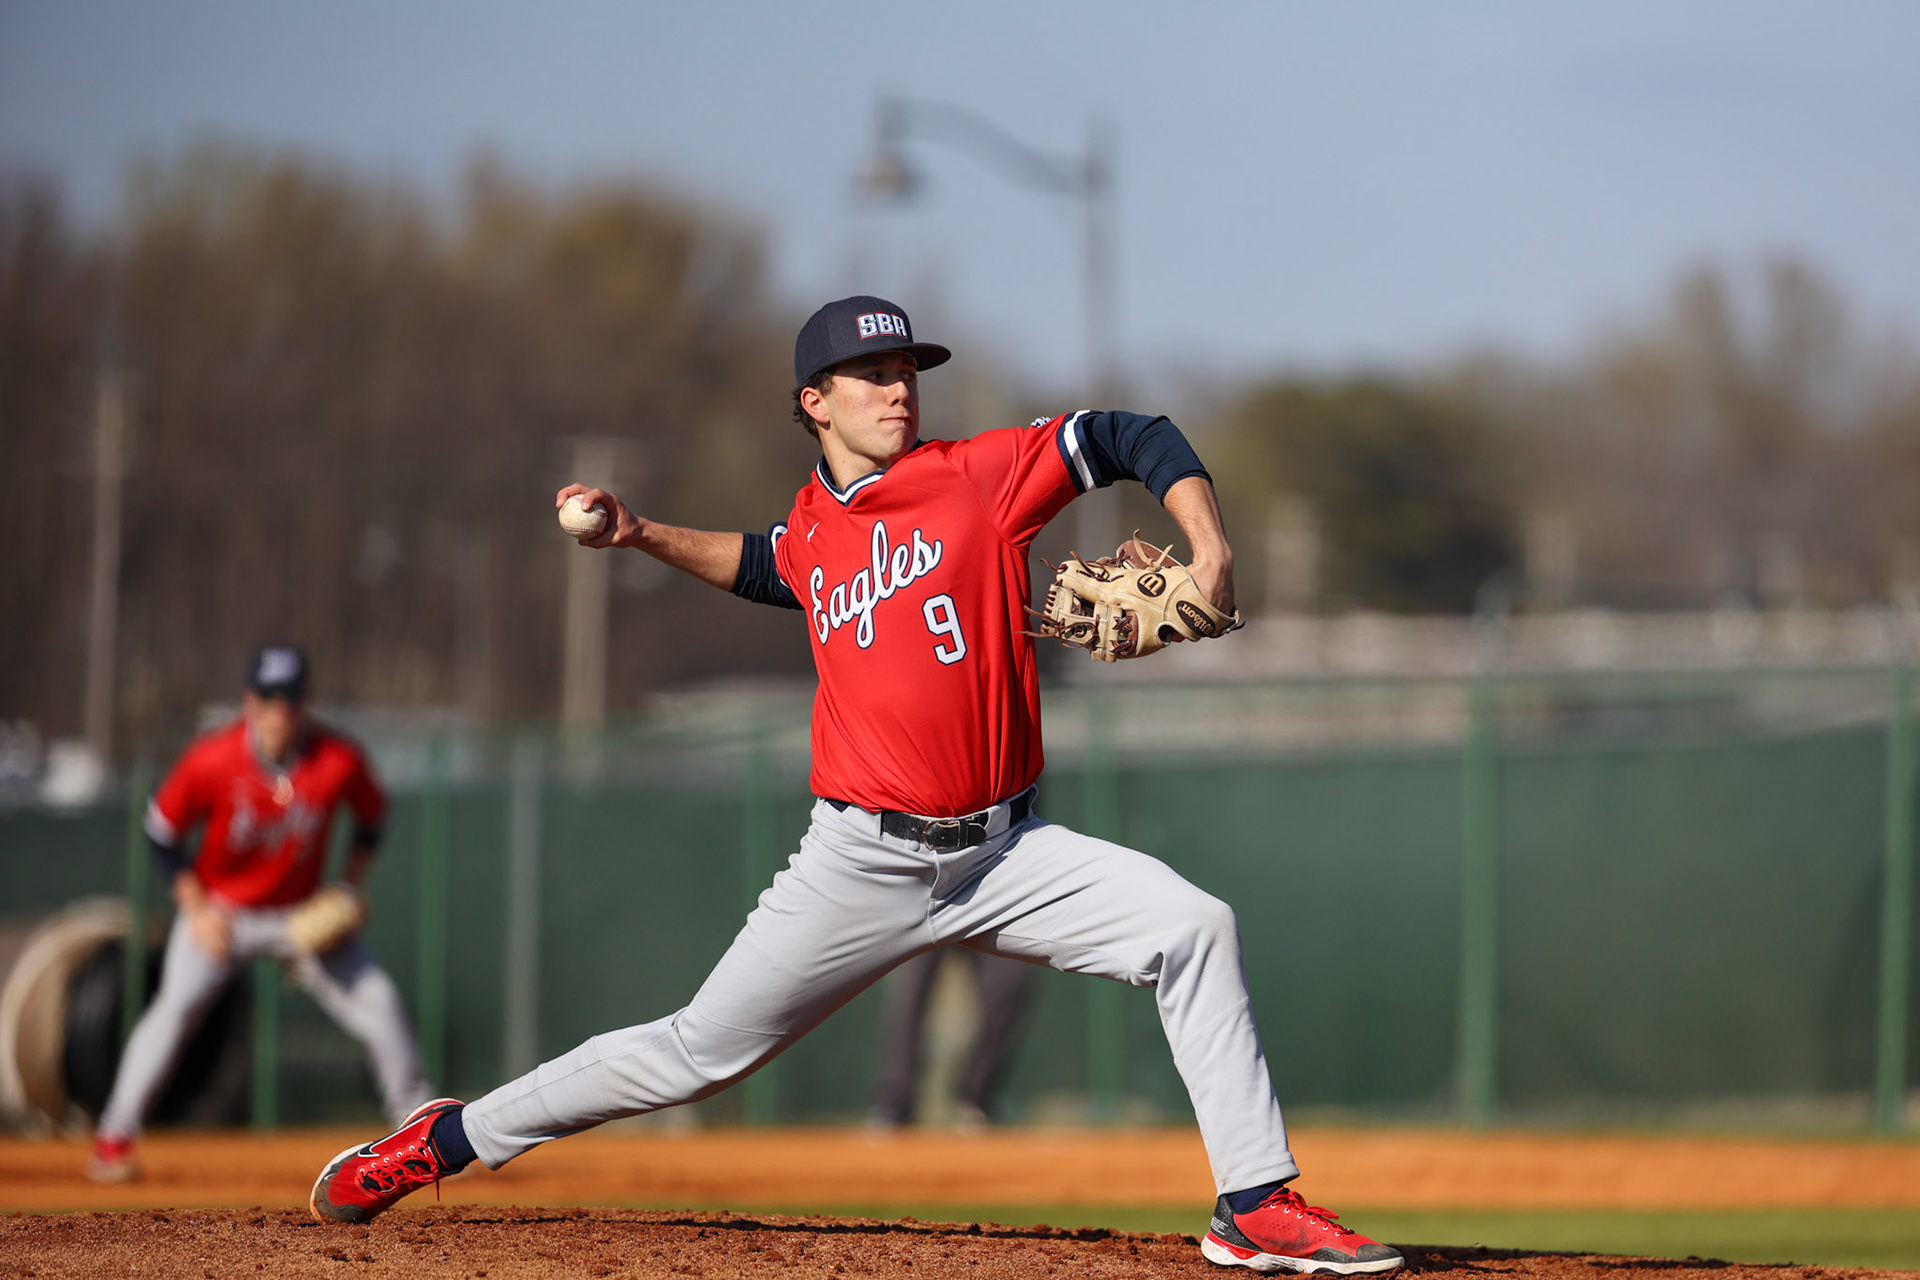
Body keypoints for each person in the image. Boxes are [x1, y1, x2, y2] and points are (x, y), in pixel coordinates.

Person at [310, 297, 1402, 1274]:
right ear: (814, 400)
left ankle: (1252, 1202)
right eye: (874, 375)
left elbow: (1129, 434)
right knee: (697, 1052)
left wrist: (1205, 542)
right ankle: (442, 1139)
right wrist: (639, 533)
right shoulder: (818, 530)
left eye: (908, 371)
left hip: (1007, 853)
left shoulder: (976, 477)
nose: (897, 388)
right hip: (860, 859)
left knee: (1193, 924)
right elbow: (765, 563)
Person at [89, 647, 437, 1182]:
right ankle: (114, 1138)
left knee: (380, 1003)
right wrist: (197, 911)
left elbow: (374, 817)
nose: (281, 709)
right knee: (174, 1010)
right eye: (270, 697)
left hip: (301, 917)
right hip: (223, 912)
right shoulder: (213, 758)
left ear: (305, 702)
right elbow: (161, 832)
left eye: (291, 697)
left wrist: (346, 889)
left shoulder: (336, 760)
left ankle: (421, 1132)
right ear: (249, 701)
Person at [868, 949, 1034, 1132]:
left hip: (988, 920)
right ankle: (894, 1106)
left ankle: (975, 1100)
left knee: (1010, 980)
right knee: (911, 990)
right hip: (925, 919)